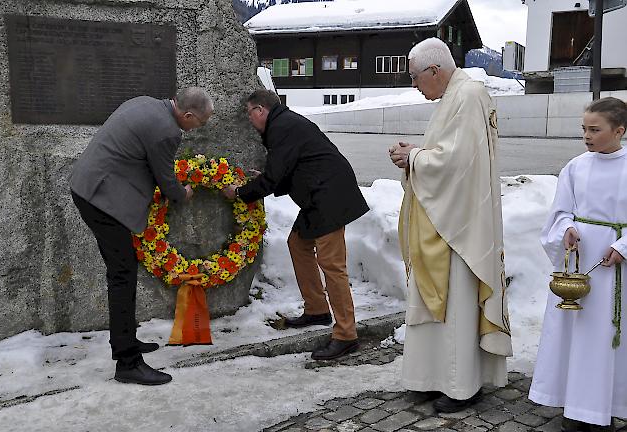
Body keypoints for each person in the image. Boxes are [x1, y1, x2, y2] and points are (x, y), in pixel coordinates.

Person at [388, 38, 512, 413]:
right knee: (434, 303)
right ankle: (430, 378)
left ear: (434, 71)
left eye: (415, 78)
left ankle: (461, 385)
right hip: (445, 218)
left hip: (460, 226)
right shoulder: (455, 96)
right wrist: (417, 156)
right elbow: (449, 155)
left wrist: (415, 158)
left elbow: (458, 164)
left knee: (456, 303)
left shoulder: (469, 95)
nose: (414, 85)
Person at [70, 87, 214, 385]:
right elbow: (167, 181)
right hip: (100, 199)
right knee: (122, 274)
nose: (197, 128)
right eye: (199, 123)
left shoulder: (146, 103)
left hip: (89, 186)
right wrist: (183, 193)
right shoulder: (167, 131)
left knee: (124, 269)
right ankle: (127, 362)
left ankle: (127, 341)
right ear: (187, 115)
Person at [222, 89, 369, 361]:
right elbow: (286, 170)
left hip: (330, 197)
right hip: (319, 196)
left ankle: (346, 335)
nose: (249, 120)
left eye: (249, 113)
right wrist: (267, 177)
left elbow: (275, 176)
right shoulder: (284, 124)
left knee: (332, 266)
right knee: (298, 243)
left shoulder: (281, 127)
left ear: (259, 110)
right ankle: (317, 309)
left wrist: (241, 193)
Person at [529, 97, 627, 432]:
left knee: (608, 338)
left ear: (619, 130)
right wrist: (566, 229)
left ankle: (607, 407)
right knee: (578, 335)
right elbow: (560, 212)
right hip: (582, 264)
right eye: (583, 128)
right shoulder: (575, 167)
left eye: (595, 129)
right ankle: (576, 405)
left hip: (616, 269)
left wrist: (623, 246)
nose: (586, 135)